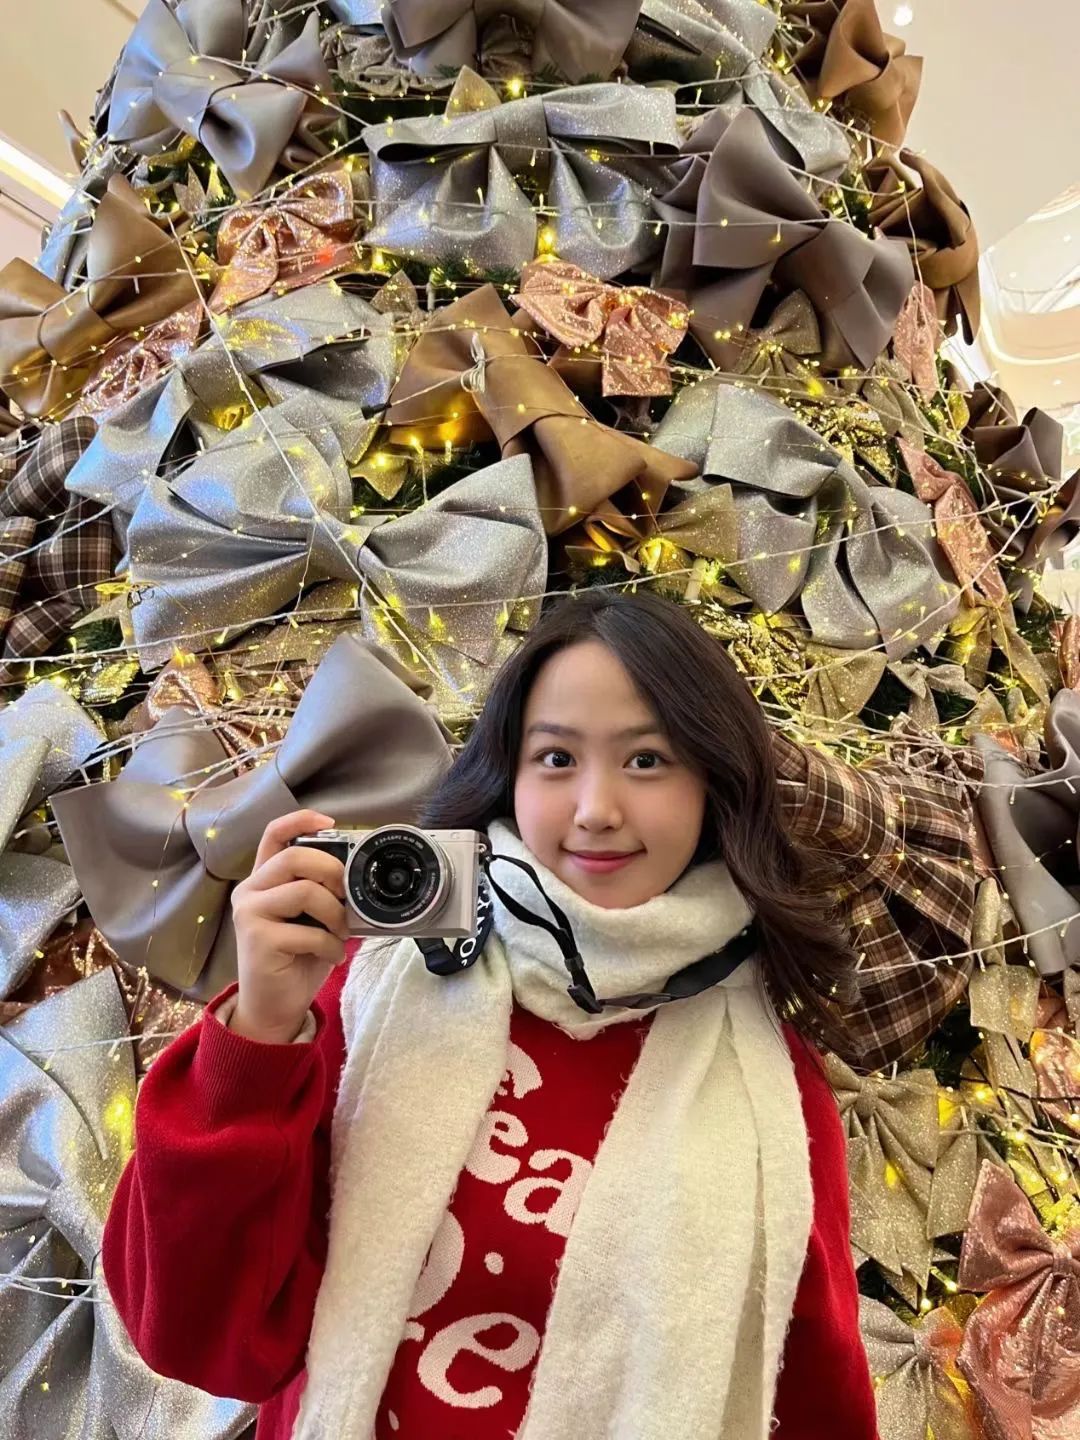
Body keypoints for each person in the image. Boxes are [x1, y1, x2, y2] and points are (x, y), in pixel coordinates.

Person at [102, 588, 882, 1440]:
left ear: (713, 784)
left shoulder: (776, 1098)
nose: (596, 809)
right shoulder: (375, 992)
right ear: (510, 773)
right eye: (557, 758)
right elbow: (197, 1336)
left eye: (647, 760)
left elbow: (816, 1400)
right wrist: (258, 1031)